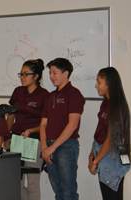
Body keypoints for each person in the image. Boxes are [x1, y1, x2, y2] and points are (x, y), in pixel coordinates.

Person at [40, 58, 85, 200]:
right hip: (49, 147)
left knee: (68, 192)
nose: (51, 76)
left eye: (55, 73)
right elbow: (43, 125)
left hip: (67, 147)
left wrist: (52, 147)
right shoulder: (50, 96)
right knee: (58, 191)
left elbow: (72, 125)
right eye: (50, 73)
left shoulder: (74, 94)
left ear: (66, 73)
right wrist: (45, 147)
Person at [4, 59, 49, 200]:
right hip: (16, 139)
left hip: (34, 142)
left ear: (36, 76)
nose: (22, 78)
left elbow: (46, 123)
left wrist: (32, 130)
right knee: (16, 182)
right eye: (21, 74)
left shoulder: (44, 95)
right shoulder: (18, 91)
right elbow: (11, 116)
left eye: (26, 74)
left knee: (33, 184)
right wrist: (6, 137)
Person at [88, 67, 131, 200]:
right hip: (102, 154)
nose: (96, 85)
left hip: (111, 157)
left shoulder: (117, 106)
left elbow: (111, 139)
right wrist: (92, 154)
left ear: (109, 83)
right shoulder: (105, 103)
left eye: (99, 82)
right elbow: (100, 131)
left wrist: (96, 160)